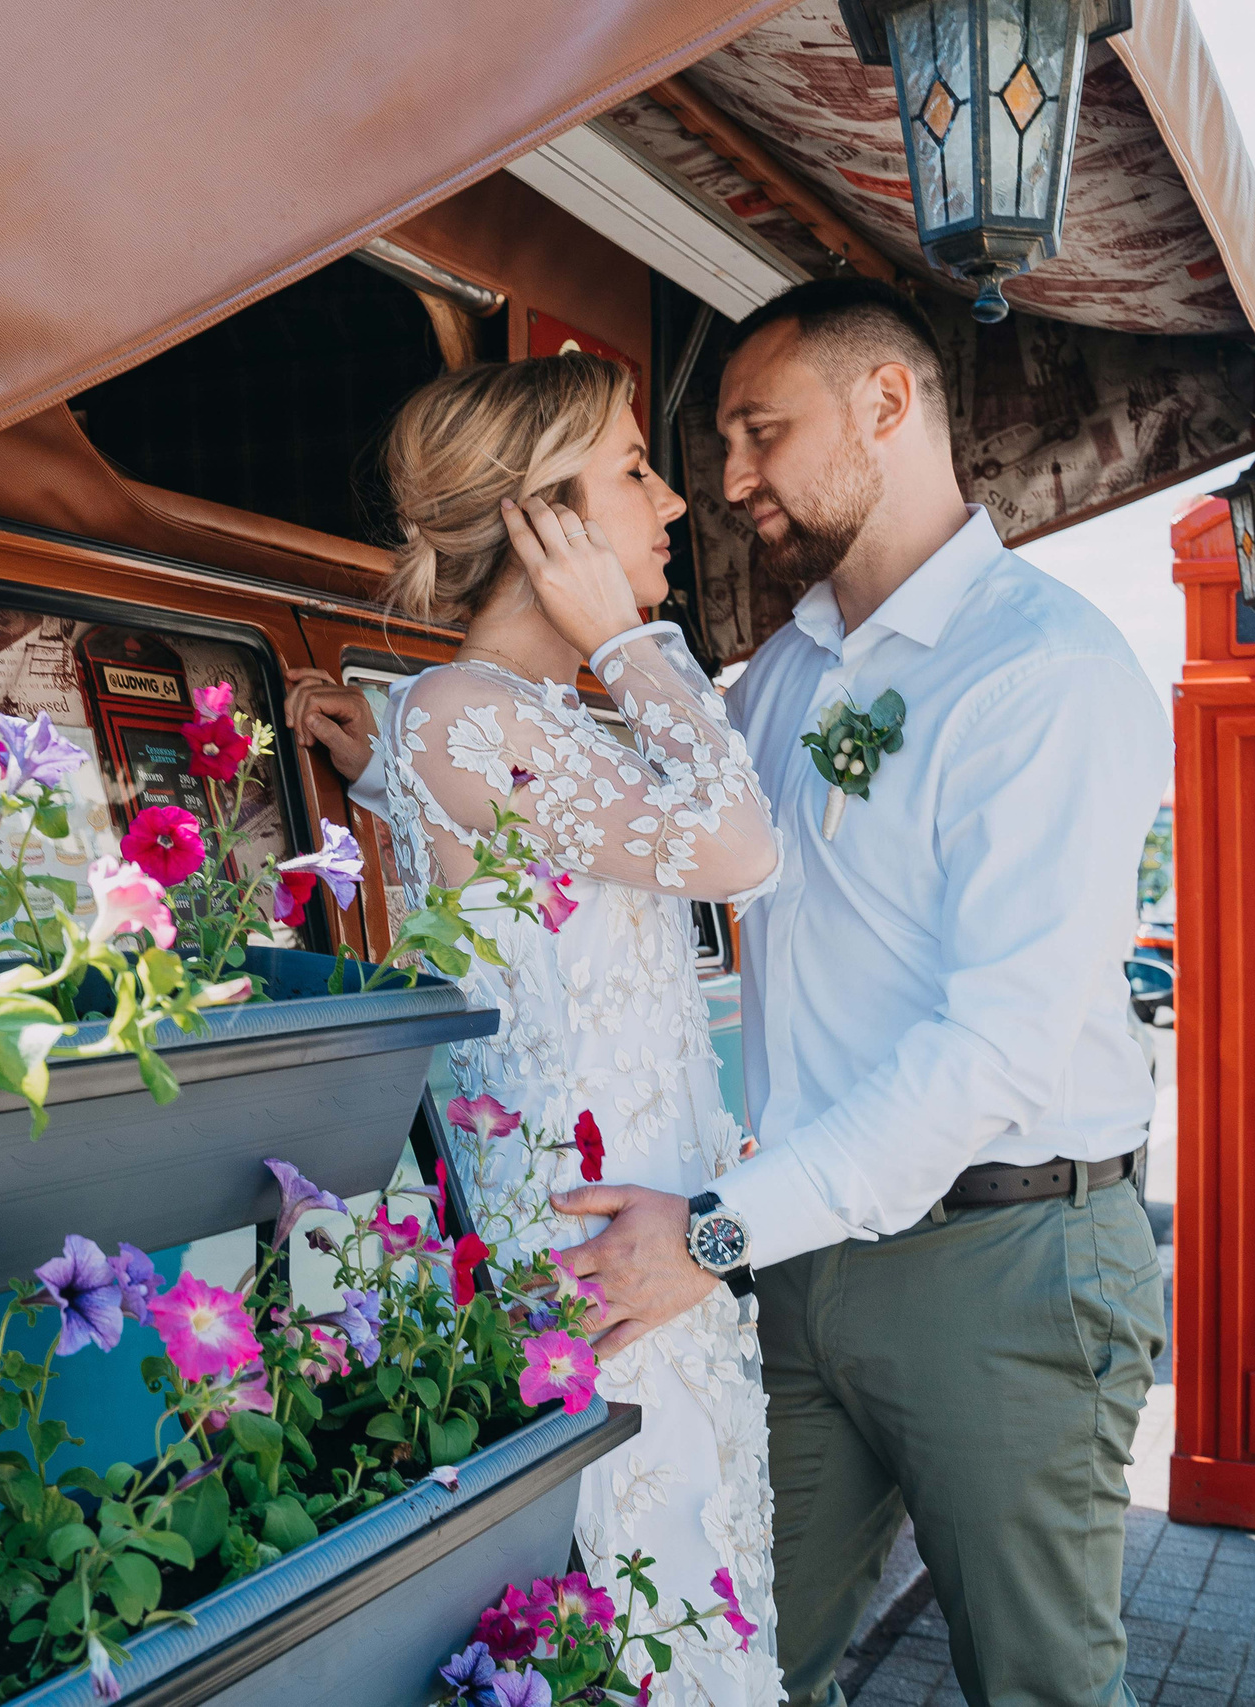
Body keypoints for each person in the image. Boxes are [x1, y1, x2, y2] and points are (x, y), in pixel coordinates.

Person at [305, 352, 786, 1704]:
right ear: (542, 519)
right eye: (635, 470)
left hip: (646, 1252)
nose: (675, 504)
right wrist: (634, 648)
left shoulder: (511, 722)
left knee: (691, 1602)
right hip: (597, 1268)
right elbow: (739, 847)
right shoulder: (471, 712)